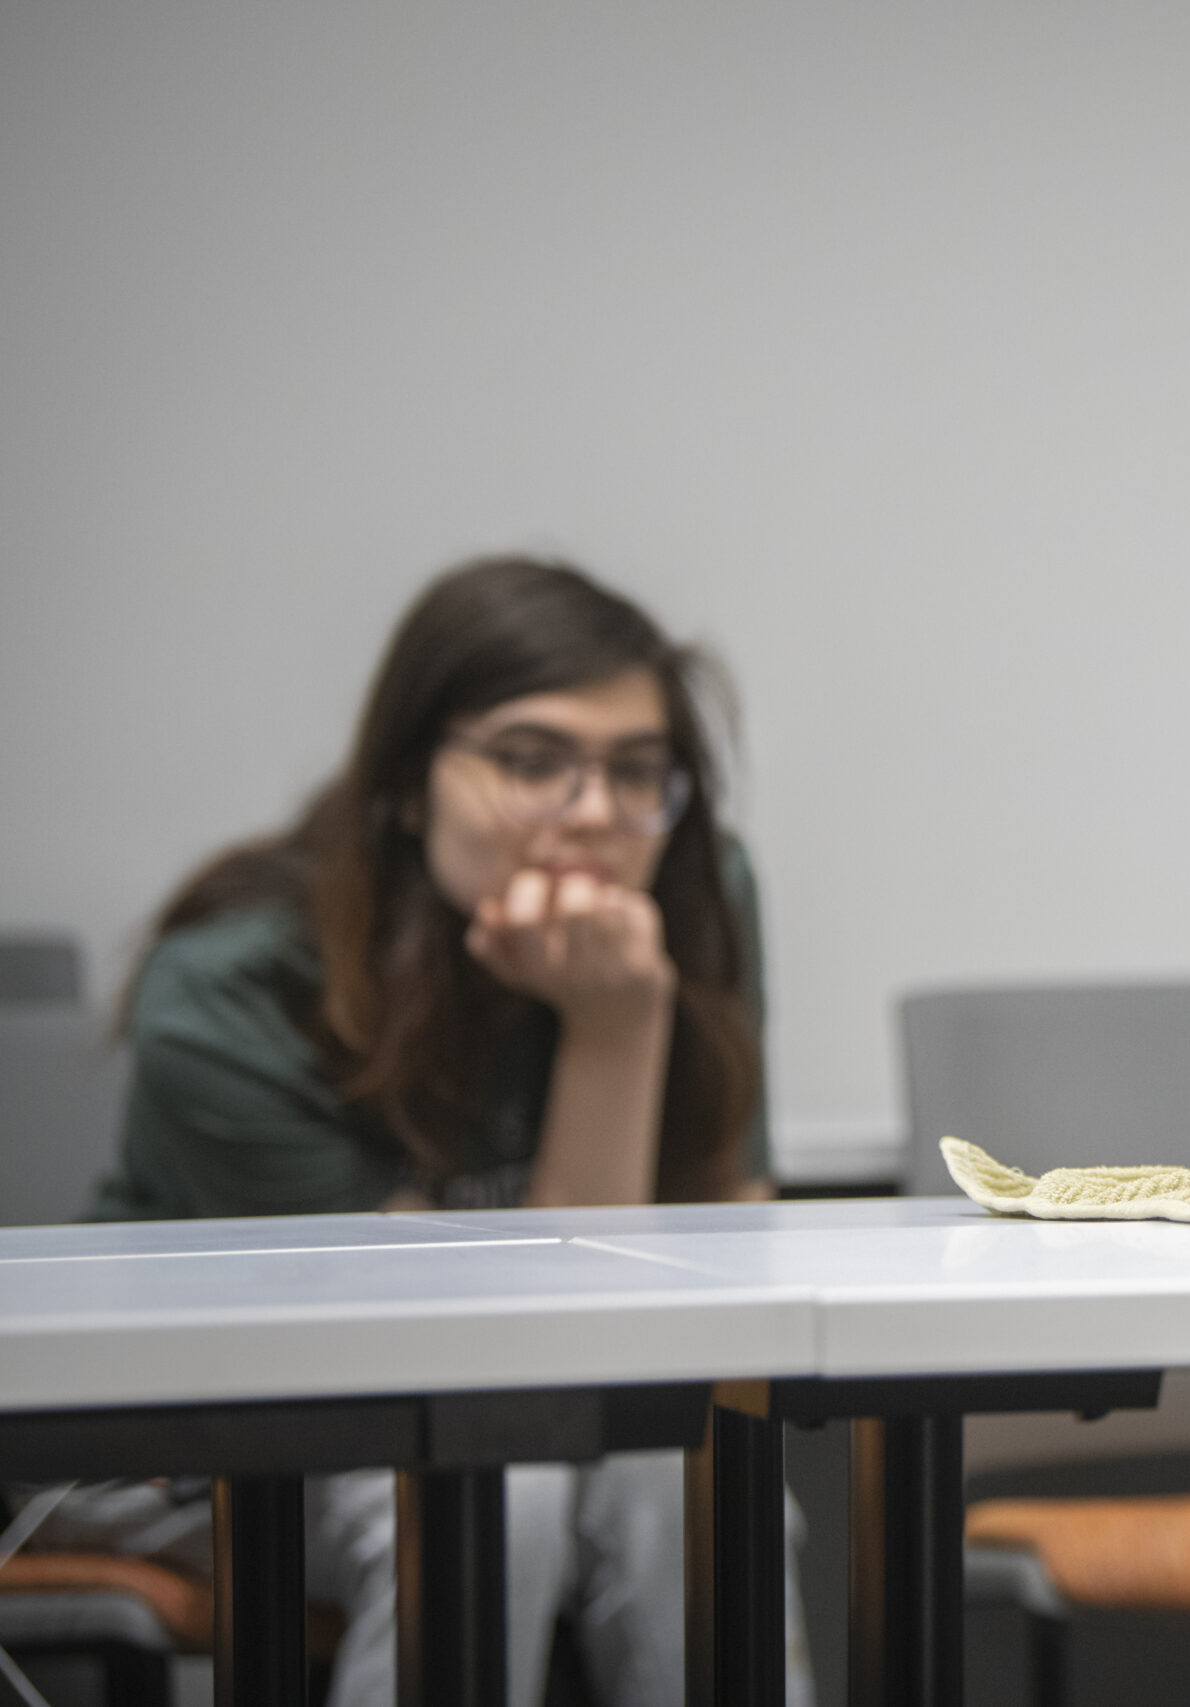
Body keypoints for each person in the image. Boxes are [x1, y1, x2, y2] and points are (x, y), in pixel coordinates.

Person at [63, 555, 808, 1706]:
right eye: (530, 762)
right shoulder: (230, 989)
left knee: (696, 1473)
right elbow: (455, 1350)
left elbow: (724, 1247)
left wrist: (632, 1015)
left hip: (531, 1398)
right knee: (485, 1492)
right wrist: (611, 1038)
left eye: (637, 772)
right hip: (196, 1433)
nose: (595, 814)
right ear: (411, 783)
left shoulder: (698, 900)